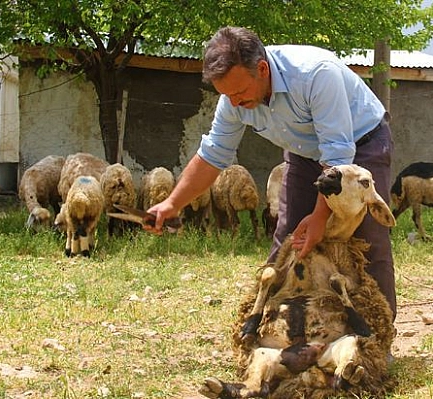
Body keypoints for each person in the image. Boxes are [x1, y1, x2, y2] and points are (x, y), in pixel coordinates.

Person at [145, 26, 396, 319]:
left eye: (239, 92)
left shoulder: (315, 74)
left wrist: (319, 217)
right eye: (227, 95)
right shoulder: (233, 100)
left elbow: (337, 156)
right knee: (290, 239)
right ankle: (279, 326)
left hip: (360, 146)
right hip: (304, 154)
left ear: (262, 69)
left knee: (367, 241)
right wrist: (172, 203)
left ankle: (377, 336)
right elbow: (213, 155)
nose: (235, 103)